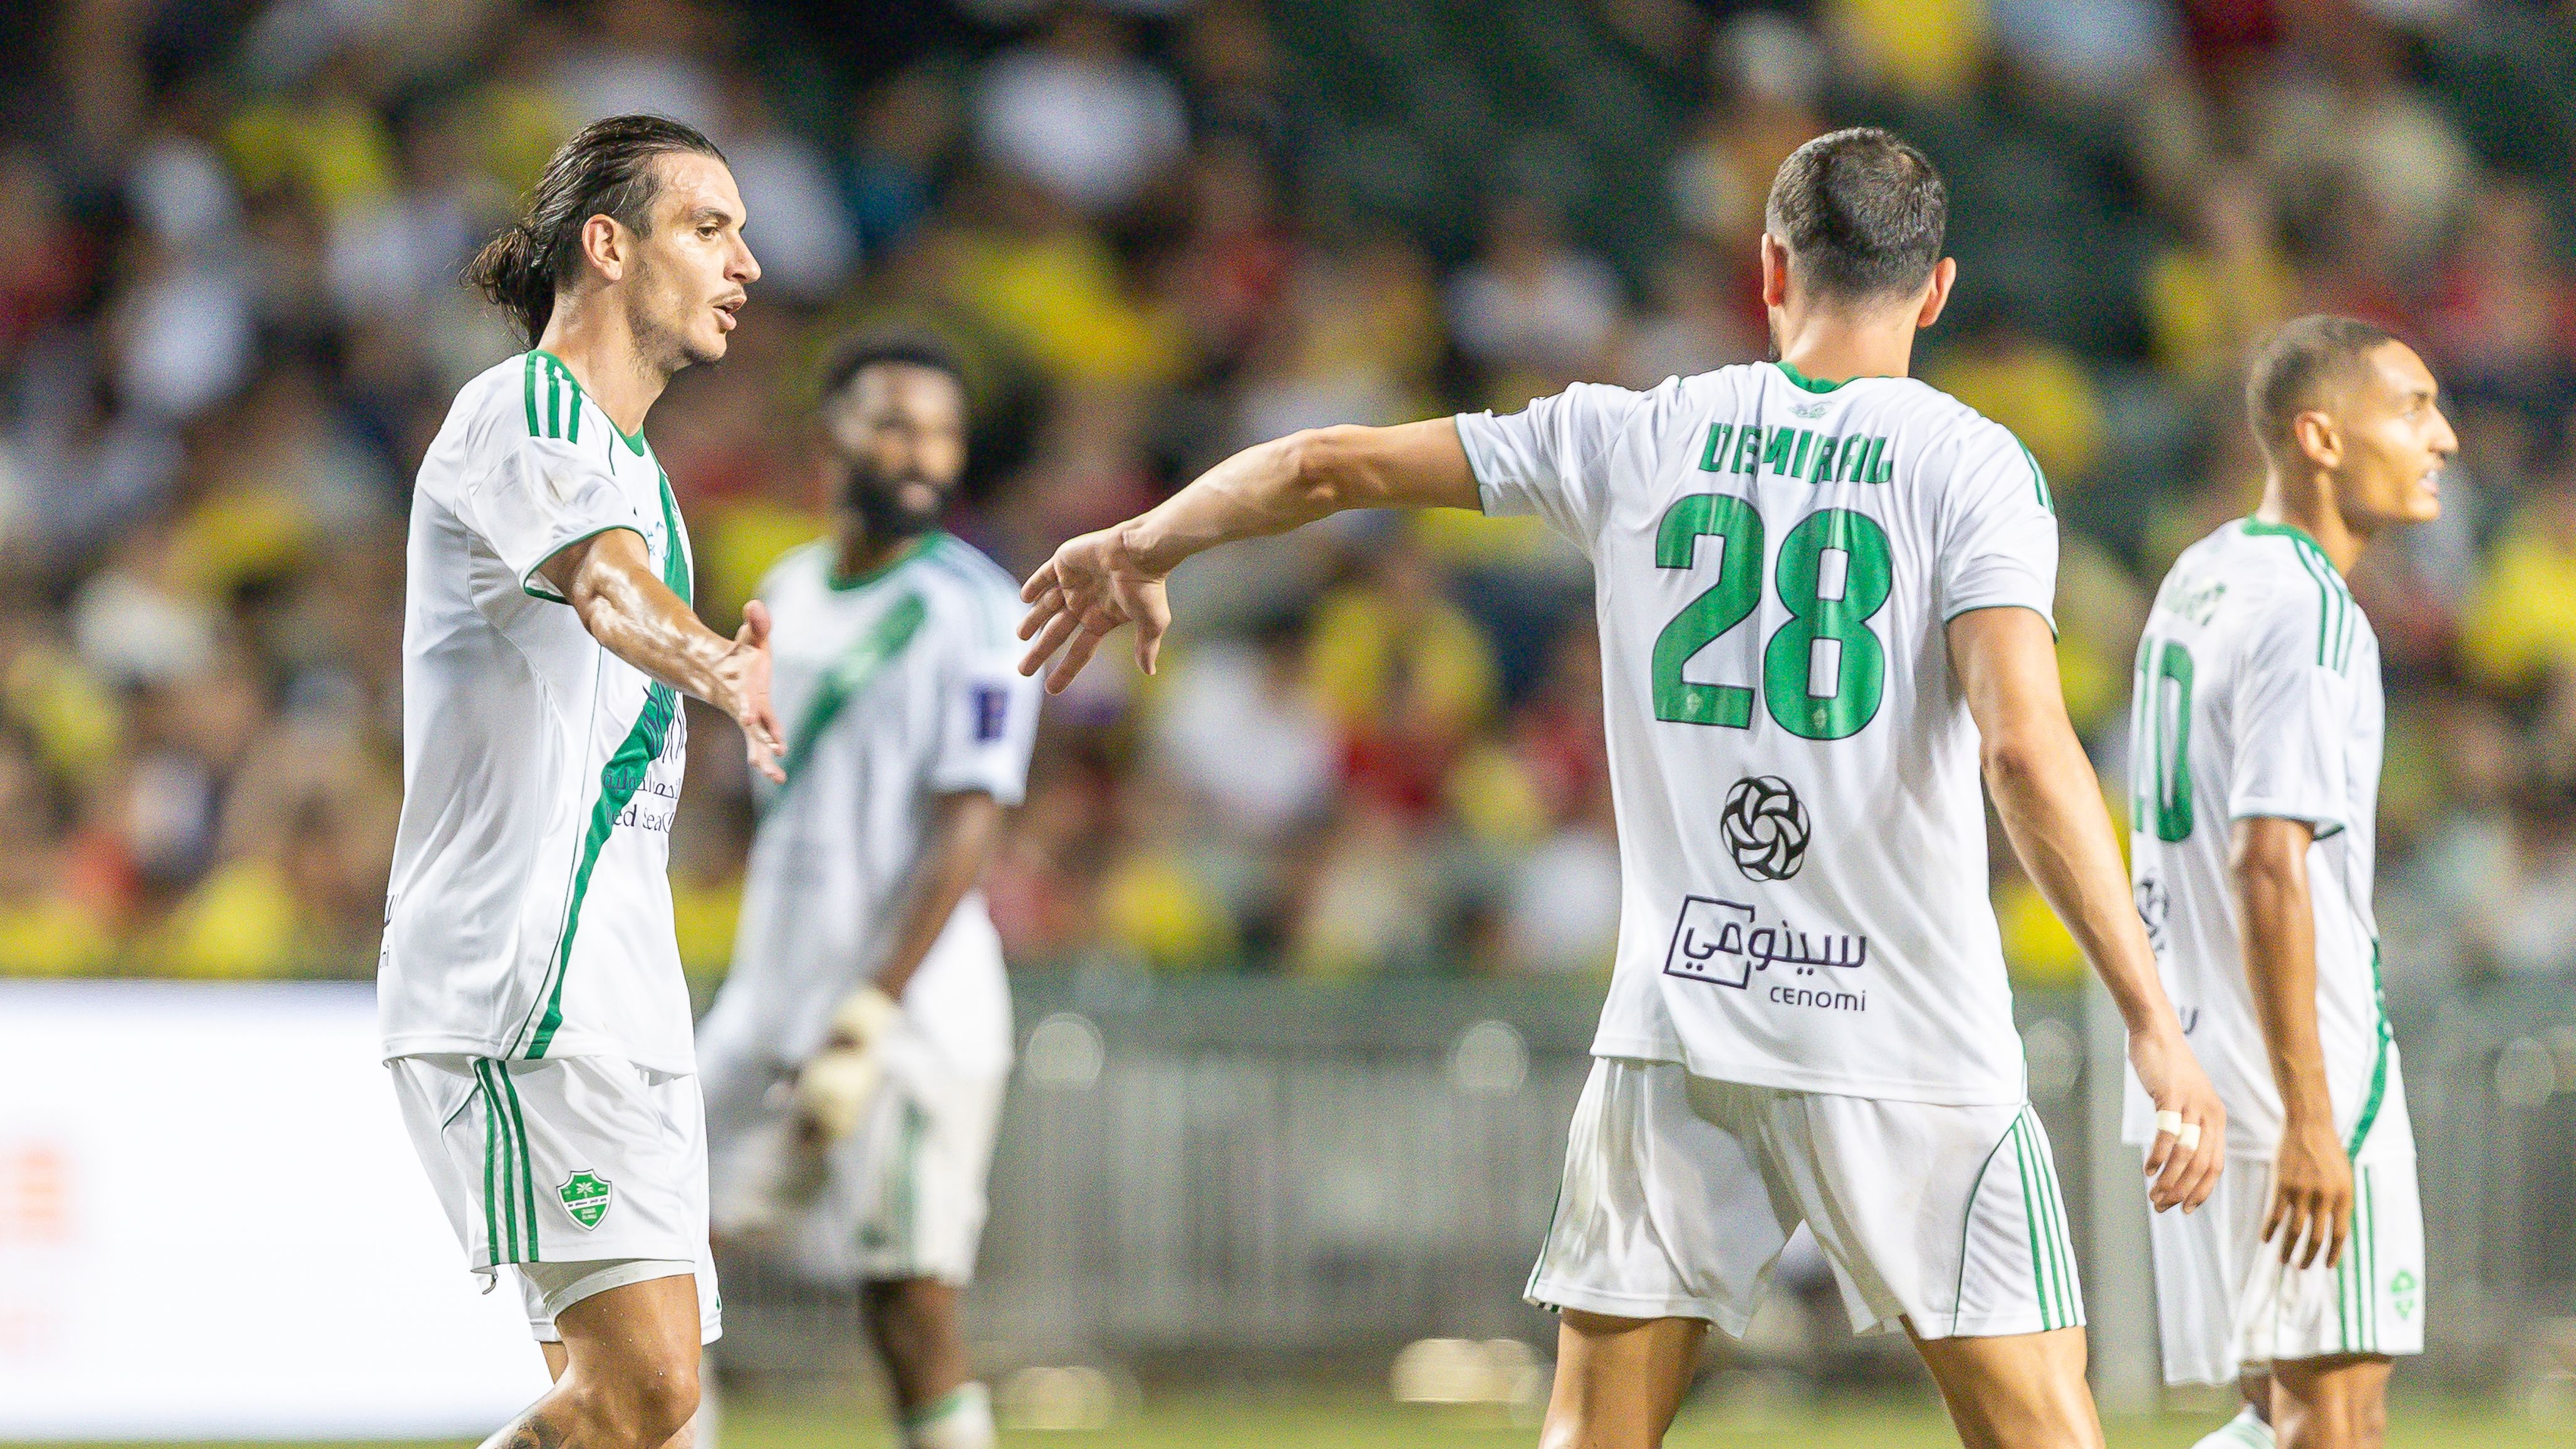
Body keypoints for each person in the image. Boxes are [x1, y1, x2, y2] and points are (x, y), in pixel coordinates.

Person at [1015, 127, 2228, 1449]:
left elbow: (1325, 465)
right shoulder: (1971, 464)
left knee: (1592, 1433)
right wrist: (2150, 1017)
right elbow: (2023, 746)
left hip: (1681, 1023)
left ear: (1771, 269)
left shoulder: (1638, 431)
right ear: (1936, 289)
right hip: (1906, 1035)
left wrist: (1147, 537)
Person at [378, 115, 776, 1449]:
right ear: (607, 245)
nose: (746, 264)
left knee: (639, 1414)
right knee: (646, 1388)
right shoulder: (523, 410)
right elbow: (603, 588)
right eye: (709, 228)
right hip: (521, 975)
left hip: (611, 983)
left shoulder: (639, 471)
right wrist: (717, 662)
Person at [697, 336, 1039, 1449]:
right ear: (831, 438)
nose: (921, 454)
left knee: (907, 1304)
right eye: (894, 425)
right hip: (770, 992)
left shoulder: (978, 611)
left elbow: (971, 820)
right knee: (648, 1255)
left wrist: (873, 1006)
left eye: (941, 434)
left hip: (908, 1010)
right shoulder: (787, 590)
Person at [2125, 316, 2453, 1449]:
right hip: (2293, 1071)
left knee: (2281, 1411)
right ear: (2320, 437)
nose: (2444, 438)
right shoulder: (2311, 609)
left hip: (2199, 1059)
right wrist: (2314, 1115)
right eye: (2412, 408)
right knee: (2335, 1419)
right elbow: (2268, 858)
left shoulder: (2203, 572)